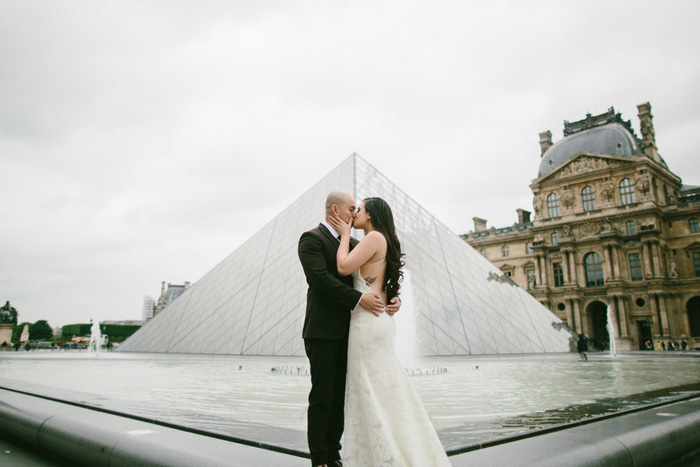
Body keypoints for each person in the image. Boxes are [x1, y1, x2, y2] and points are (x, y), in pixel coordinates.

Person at [329, 197, 450, 466]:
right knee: (384, 387)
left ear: (370, 215)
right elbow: (376, 283)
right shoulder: (381, 240)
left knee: (369, 388)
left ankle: (385, 456)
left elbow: (343, 267)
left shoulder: (372, 238)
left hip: (367, 322)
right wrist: (393, 300)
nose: (354, 213)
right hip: (377, 318)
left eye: (358, 209)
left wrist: (345, 236)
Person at [298, 192, 401, 467]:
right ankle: (320, 459)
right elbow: (319, 279)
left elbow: (375, 273)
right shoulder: (311, 239)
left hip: (354, 330)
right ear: (335, 209)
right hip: (323, 330)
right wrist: (358, 299)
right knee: (322, 396)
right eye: (351, 208)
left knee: (342, 397)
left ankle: (334, 454)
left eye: (358, 209)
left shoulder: (357, 242)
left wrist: (393, 297)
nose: (354, 213)